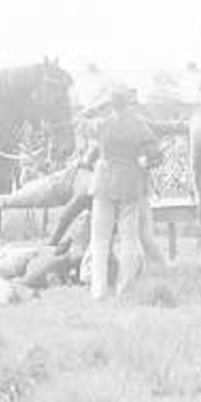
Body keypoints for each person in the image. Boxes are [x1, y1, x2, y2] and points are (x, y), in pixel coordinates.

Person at [79, 84, 165, 301]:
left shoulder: (101, 124)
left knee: (99, 240)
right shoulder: (139, 126)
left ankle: (98, 291)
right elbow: (156, 153)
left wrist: (97, 105)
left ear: (111, 104)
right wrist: (145, 161)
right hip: (130, 183)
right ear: (128, 103)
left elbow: (80, 119)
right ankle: (125, 289)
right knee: (129, 240)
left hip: (103, 182)